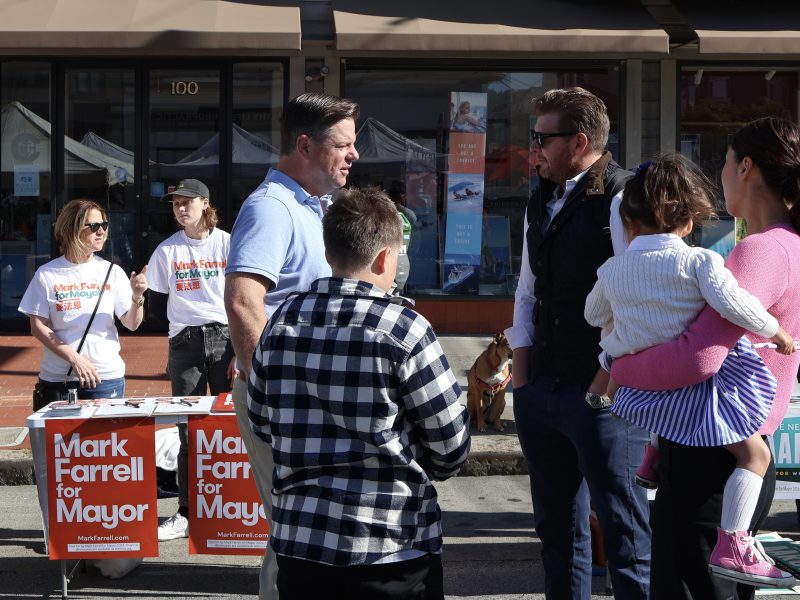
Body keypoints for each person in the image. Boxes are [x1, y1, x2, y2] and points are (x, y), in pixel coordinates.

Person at [583, 153, 796, 588]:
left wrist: (622, 316)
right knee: (755, 455)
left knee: (666, 415)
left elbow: (592, 314)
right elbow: (736, 306)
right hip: (703, 392)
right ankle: (733, 543)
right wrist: (776, 333)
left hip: (648, 390)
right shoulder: (700, 262)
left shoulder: (612, 270)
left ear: (626, 223)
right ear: (687, 223)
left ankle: (650, 459)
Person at [248, 187, 471, 599]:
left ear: (329, 251)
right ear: (387, 257)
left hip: (302, 546)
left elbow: (261, 422)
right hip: (392, 548)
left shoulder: (280, 323)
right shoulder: (405, 329)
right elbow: (451, 447)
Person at [504, 87, 651, 598]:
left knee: (625, 532)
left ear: (580, 141)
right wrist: (523, 381)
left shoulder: (619, 197)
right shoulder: (540, 197)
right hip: (543, 387)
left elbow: (639, 301)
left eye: (543, 138)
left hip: (602, 396)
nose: (535, 148)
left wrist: (602, 381)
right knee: (557, 533)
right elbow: (528, 292)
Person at [224, 92, 360, 599]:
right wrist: (272, 391)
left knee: (303, 525)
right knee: (293, 527)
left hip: (305, 395)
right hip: (285, 396)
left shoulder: (312, 205)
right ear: (305, 144)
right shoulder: (272, 207)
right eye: (343, 144)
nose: (354, 154)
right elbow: (242, 302)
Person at [146, 178, 236, 542]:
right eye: (175, 204)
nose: (180, 209)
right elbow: (155, 306)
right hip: (185, 342)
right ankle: (187, 510)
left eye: (187, 202)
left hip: (226, 337)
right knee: (189, 430)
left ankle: (234, 503)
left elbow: (247, 297)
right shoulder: (166, 251)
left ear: (205, 203)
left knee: (232, 425)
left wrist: (242, 354)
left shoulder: (229, 243)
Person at [20, 198, 147, 405]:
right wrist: (75, 359)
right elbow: (37, 327)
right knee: (59, 439)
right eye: (94, 226)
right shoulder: (47, 274)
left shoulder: (111, 272)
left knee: (106, 438)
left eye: (104, 225)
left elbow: (132, 323)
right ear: (72, 229)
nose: (101, 232)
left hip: (104, 378)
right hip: (59, 379)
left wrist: (137, 297)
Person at [387, 181, 416, 294]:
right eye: (404, 195)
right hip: (402, 254)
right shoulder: (408, 215)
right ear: (400, 196)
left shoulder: (383, 212)